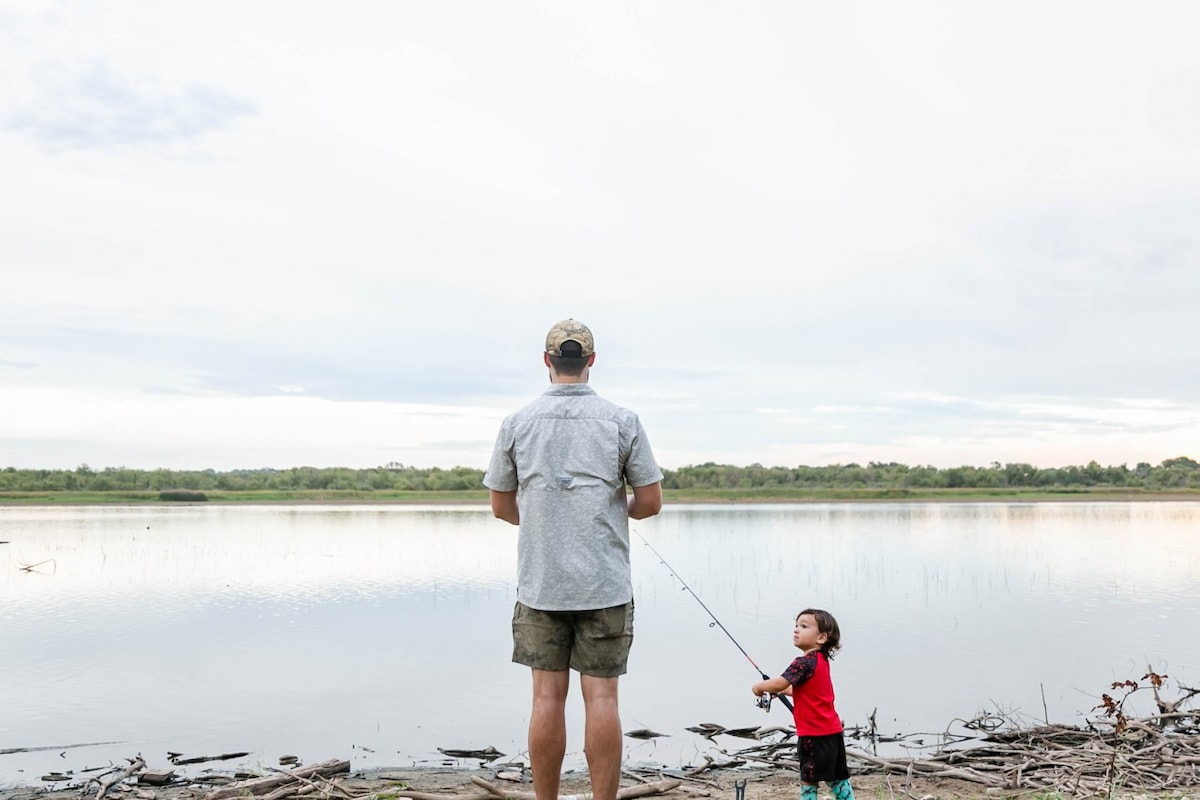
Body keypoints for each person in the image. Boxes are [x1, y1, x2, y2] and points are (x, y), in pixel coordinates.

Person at [483, 318, 664, 800]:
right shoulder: (622, 421)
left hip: (541, 585)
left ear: (546, 362)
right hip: (605, 586)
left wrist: (546, 521)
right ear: (591, 361)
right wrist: (613, 510)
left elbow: (501, 507)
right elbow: (649, 502)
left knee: (546, 698)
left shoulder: (517, 423)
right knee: (602, 697)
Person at [751, 609, 855, 800]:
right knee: (837, 778)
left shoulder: (803, 662)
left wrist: (758, 687)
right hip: (831, 733)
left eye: (804, 626)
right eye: (796, 625)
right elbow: (805, 692)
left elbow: (780, 682)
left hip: (813, 736)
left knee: (809, 779)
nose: (796, 630)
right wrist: (781, 691)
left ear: (822, 637)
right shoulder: (821, 661)